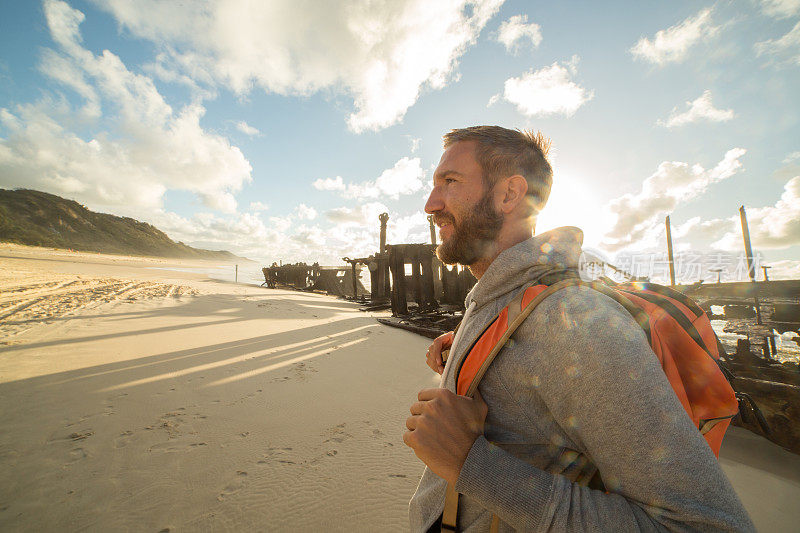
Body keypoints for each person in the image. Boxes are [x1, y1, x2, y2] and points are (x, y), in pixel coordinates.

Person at [403, 126, 754, 532]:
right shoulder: (500, 305)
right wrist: (465, 348)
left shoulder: (575, 324)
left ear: (508, 195)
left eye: (450, 182)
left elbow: (705, 526)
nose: (430, 204)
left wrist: (471, 463)